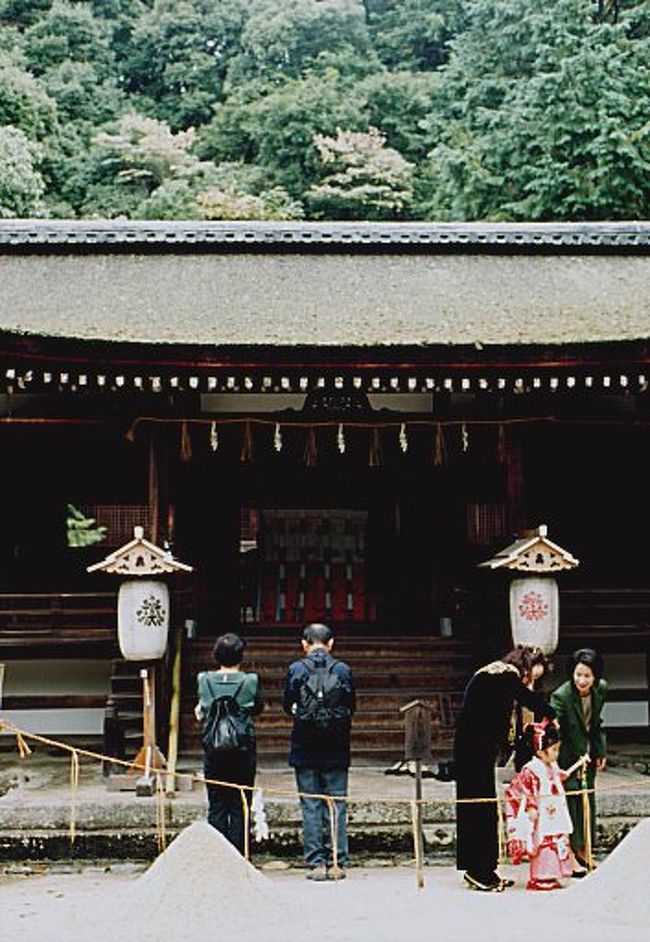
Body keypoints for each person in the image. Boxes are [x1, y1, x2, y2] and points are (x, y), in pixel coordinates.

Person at [454, 644, 556, 892]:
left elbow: (506, 729)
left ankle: (483, 868)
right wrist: (550, 713)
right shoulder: (504, 674)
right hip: (474, 749)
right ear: (524, 668)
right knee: (480, 809)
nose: (530, 683)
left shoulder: (493, 677)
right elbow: (527, 699)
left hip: (474, 749)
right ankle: (479, 871)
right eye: (532, 677)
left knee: (482, 808)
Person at [283, 623, 356, 881]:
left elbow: (287, 704)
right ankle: (338, 861)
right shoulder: (343, 670)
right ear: (331, 643)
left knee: (310, 804)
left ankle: (315, 863)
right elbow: (351, 706)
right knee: (337, 804)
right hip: (336, 746)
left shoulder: (296, 669)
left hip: (304, 745)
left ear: (304, 644)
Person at [195, 632, 264, 855]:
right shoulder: (250, 680)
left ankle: (218, 854)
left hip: (214, 746)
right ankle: (239, 854)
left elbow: (203, 709)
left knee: (216, 803)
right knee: (240, 802)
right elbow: (257, 708)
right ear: (240, 656)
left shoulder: (204, 679)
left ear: (216, 655)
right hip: (242, 747)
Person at [550, 647, 607, 873]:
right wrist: (552, 764)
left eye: (587, 675)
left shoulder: (600, 690)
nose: (582, 680)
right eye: (578, 674)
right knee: (571, 803)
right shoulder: (561, 696)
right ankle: (572, 854)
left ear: (596, 677)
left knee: (587, 801)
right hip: (566, 757)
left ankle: (586, 849)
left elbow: (596, 723)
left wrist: (600, 751)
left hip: (587, 755)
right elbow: (553, 729)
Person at [504, 720, 577, 890]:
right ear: (540, 751)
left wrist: (560, 775)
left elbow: (554, 777)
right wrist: (530, 806)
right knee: (544, 842)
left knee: (557, 839)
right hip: (540, 813)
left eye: (557, 749)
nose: (556, 754)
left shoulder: (551, 765)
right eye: (553, 750)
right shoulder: (531, 769)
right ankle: (541, 876)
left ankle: (556, 873)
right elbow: (522, 789)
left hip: (554, 810)